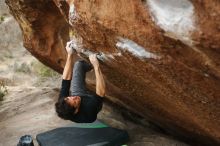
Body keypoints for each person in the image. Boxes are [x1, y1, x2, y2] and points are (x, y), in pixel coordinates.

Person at [55, 41, 106, 123]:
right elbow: (101, 93)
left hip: (80, 94)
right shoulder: (89, 109)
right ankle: (96, 64)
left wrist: (69, 54)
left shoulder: (63, 103)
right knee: (98, 90)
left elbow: (66, 79)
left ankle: (91, 62)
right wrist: (97, 67)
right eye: (74, 101)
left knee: (79, 65)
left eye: (69, 97)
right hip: (92, 104)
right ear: (76, 111)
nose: (74, 97)